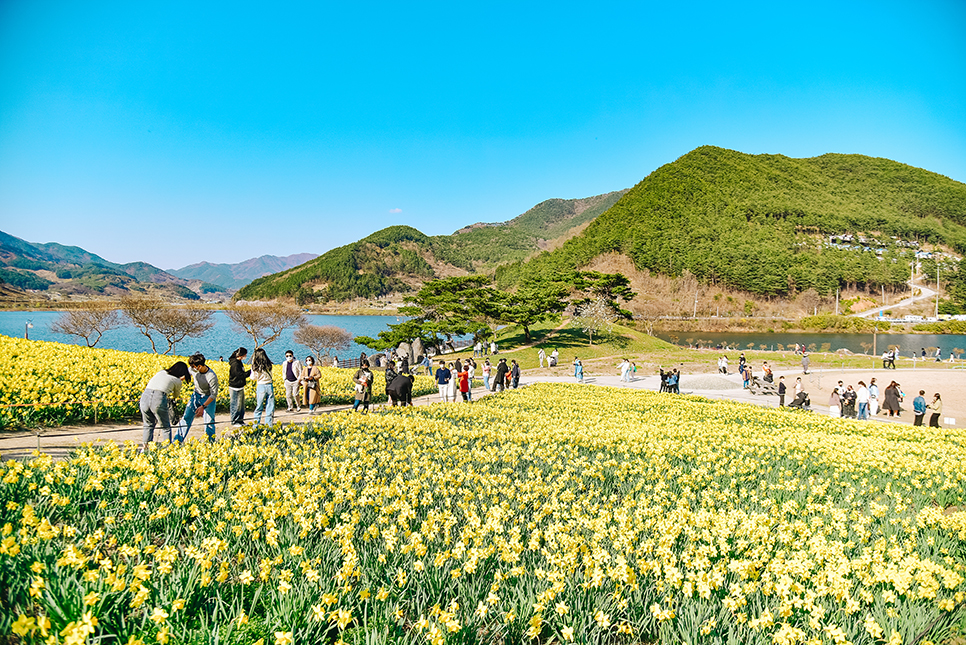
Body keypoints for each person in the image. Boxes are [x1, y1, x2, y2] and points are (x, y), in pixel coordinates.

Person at [139, 361, 189, 452]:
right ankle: (167, 449)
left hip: (144, 397)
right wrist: (179, 382)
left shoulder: (162, 372)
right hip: (158, 398)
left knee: (148, 425)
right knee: (165, 427)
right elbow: (176, 395)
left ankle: (145, 448)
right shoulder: (177, 380)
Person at [179, 353, 219, 443]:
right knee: (186, 418)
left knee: (209, 421)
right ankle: (177, 441)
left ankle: (210, 443)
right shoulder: (193, 369)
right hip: (196, 395)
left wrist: (203, 406)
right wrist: (177, 380)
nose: (192, 368)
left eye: (193, 366)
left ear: (199, 366)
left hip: (208, 398)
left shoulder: (211, 376)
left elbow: (213, 395)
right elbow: (187, 374)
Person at [251, 348, 275, 426]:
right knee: (270, 407)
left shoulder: (256, 366)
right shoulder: (269, 364)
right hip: (269, 385)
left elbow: (253, 377)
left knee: (259, 407)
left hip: (261, 386)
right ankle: (269, 425)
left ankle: (256, 425)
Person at [228, 347, 250, 427]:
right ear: (241, 355)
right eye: (245, 355)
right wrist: (250, 372)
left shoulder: (239, 362)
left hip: (240, 386)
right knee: (235, 405)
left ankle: (240, 420)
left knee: (241, 405)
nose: (246, 356)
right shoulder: (235, 364)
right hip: (235, 387)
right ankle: (234, 421)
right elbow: (240, 375)